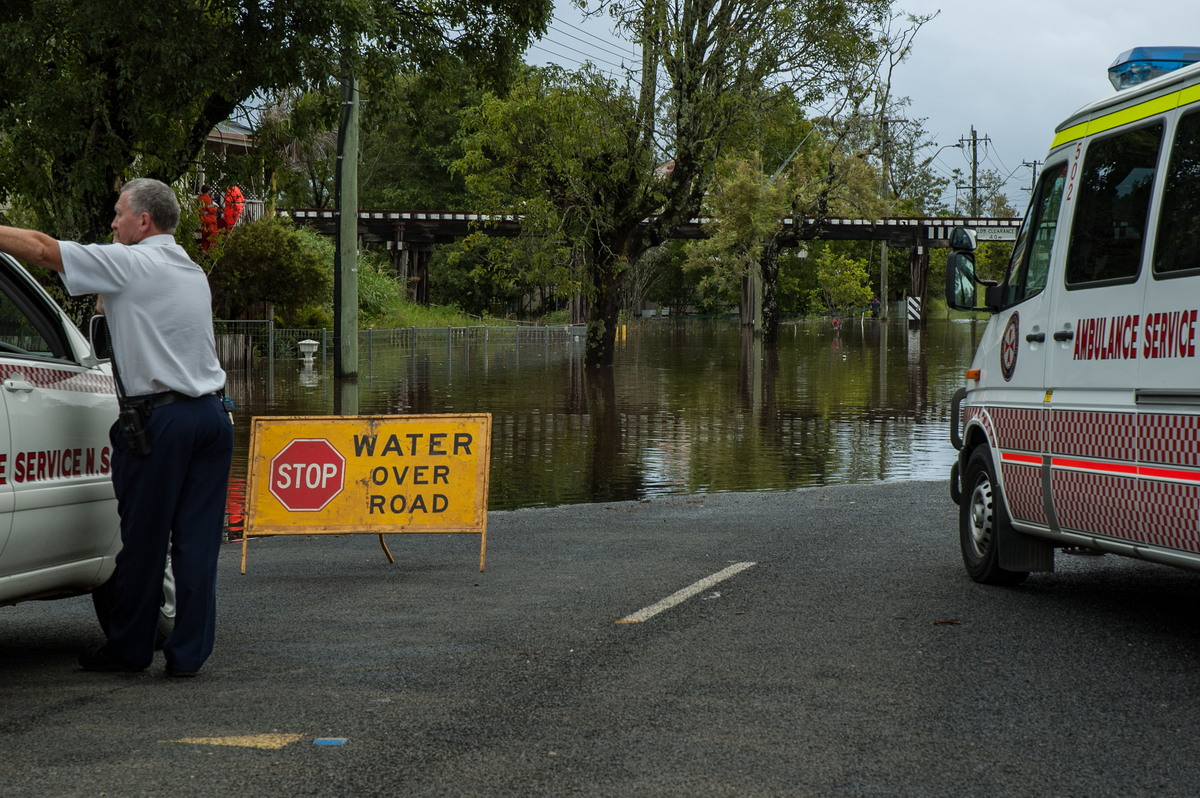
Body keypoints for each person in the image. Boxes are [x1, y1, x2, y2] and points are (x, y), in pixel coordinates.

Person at [0, 178, 233, 678]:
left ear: (142, 222)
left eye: (118, 214)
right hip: (211, 418)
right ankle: (188, 655)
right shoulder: (190, 270)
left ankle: (128, 650)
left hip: (162, 421)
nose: (112, 223)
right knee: (195, 544)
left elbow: (42, 248)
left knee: (145, 541)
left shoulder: (131, 262)